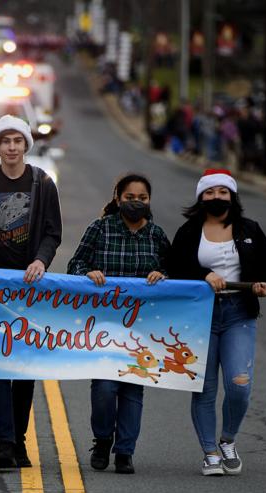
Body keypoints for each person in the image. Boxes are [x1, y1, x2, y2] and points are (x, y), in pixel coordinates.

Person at [0, 115, 62, 469]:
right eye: (4, 141)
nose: (11, 147)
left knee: (23, 365)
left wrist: (41, 260)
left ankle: (19, 440)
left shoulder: (42, 183)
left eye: (17, 141)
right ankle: (4, 443)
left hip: (28, 289)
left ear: (26, 145)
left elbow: (53, 232)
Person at [168, 169, 266, 476]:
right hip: (200, 315)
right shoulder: (189, 231)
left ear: (232, 196)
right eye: (210, 193)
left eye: (222, 192)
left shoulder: (249, 228)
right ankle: (210, 452)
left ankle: (228, 440)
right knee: (205, 388)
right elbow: (175, 266)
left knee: (239, 384)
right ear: (201, 197)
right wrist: (204, 275)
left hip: (238, 312)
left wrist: (262, 284)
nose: (216, 198)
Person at [67, 173, 169, 474]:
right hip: (103, 326)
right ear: (117, 198)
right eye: (129, 197)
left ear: (149, 202)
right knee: (105, 388)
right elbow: (75, 264)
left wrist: (161, 275)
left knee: (132, 390)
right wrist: (89, 273)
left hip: (142, 328)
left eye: (142, 198)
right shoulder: (100, 229)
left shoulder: (157, 235)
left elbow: (173, 272)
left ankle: (125, 451)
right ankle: (102, 439)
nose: (135, 203)